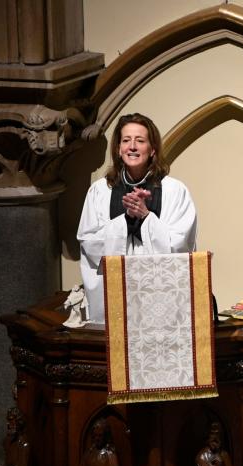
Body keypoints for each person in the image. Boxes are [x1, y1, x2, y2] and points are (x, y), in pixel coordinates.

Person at [76, 113, 197, 323]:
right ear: (118, 149)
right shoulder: (100, 191)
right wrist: (125, 221)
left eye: (140, 141)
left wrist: (145, 216)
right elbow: (89, 242)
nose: (132, 146)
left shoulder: (174, 190)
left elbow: (181, 244)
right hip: (115, 293)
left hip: (161, 298)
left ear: (153, 150)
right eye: (126, 140)